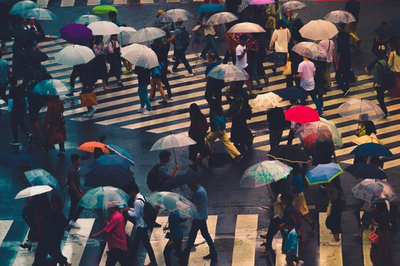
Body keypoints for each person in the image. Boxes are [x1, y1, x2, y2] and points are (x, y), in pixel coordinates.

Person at [32, 195, 71, 266]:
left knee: (42, 252)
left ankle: (64, 262)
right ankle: (64, 262)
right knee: (51, 250)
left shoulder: (44, 206)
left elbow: (48, 219)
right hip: (48, 233)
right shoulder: (46, 204)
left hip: (47, 233)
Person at [183, 181, 217, 261]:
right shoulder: (200, 190)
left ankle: (185, 254)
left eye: (189, 184)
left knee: (192, 235)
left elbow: (196, 206)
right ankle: (213, 252)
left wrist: (187, 205)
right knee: (204, 234)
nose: (188, 186)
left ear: (193, 183)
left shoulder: (199, 192)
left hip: (198, 217)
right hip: (201, 216)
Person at [124, 184, 157, 266]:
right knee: (136, 243)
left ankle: (153, 262)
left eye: (130, 192)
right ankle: (130, 259)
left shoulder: (137, 201)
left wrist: (127, 211)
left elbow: (136, 214)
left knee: (146, 245)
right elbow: (138, 210)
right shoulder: (141, 197)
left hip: (141, 225)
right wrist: (130, 209)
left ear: (132, 191)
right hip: (143, 224)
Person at [93, 201, 130, 266]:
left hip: (116, 244)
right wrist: (108, 222)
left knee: (112, 262)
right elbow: (113, 226)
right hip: (119, 243)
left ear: (113, 208)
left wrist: (97, 234)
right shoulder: (119, 215)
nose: (108, 209)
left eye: (109, 208)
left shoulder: (115, 217)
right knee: (123, 261)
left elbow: (107, 229)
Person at [226, 82, 254, 151]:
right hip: (243, 115)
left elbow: (234, 106)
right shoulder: (243, 93)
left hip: (238, 116)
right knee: (243, 127)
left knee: (238, 129)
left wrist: (227, 114)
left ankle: (242, 141)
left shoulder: (239, 96)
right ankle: (246, 140)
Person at [8, 77, 33, 146]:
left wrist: (9, 110)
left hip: (15, 109)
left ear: (10, 83)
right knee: (21, 122)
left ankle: (16, 140)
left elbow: (11, 101)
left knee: (14, 124)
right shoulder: (21, 88)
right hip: (22, 108)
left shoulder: (12, 90)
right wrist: (26, 108)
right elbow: (25, 98)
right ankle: (28, 133)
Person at [290, 164, 315, 231]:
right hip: (299, 194)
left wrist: (290, 186)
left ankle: (297, 227)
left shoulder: (295, 178)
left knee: (295, 212)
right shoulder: (299, 176)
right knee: (300, 212)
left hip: (297, 195)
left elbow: (294, 188)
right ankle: (310, 222)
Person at [163, 197, 185, 266]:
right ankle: (183, 263)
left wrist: (172, 239)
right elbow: (175, 224)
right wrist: (168, 227)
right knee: (178, 252)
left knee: (166, 253)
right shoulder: (175, 211)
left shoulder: (173, 214)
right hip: (178, 235)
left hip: (175, 237)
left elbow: (175, 227)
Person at [188, 103, 209, 171]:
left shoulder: (194, 118)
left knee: (193, 150)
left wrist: (190, 133)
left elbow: (193, 128)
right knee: (201, 147)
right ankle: (205, 158)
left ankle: (194, 163)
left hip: (195, 136)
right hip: (201, 135)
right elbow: (206, 126)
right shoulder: (202, 116)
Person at [325, 177, 344, 246]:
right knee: (334, 222)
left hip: (336, 207)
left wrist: (328, 192)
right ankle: (336, 237)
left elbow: (333, 198)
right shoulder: (336, 186)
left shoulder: (334, 188)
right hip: (337, 206)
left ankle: (337, 239)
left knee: (333, 222)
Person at [371, 50, 390, 118]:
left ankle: (384, 112)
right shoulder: (385, 62)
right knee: (380, 98)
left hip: (379, 84)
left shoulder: (377, 65)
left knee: (380, 99)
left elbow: (376, 77)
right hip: (385, 82)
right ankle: (384, 112)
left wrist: (373, 86)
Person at [67, 154, 84, 229]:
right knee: (82, 204)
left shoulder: (75, 169)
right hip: (73, 191)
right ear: (75, 161)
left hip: (75, 190)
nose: (80, 161)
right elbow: (71, 182)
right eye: (79, 160)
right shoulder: (72, 170)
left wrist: (78, 189)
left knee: (73, 206)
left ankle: (70, 220)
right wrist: (77, 192)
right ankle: (73, 220)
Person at [335, 24, 352, 97]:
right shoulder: (347, 44)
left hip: (342, 62)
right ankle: (347, 88)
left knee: (338, 77)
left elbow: (339, 54)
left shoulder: (341, 45)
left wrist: (337, 64)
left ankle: (344, 89)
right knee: (346, 75)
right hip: (348, 61)